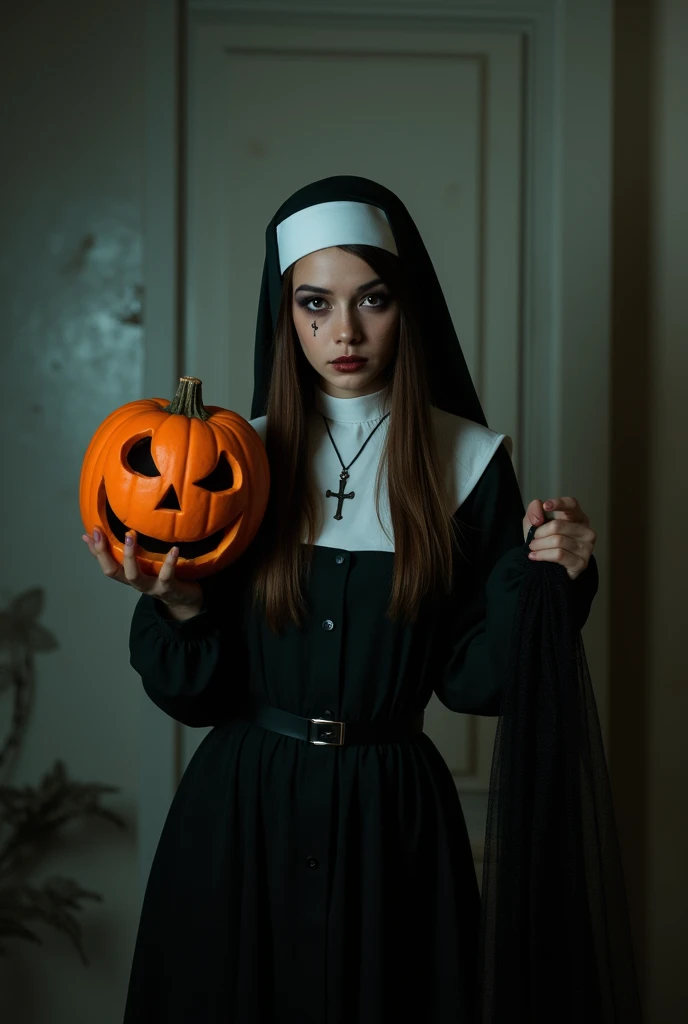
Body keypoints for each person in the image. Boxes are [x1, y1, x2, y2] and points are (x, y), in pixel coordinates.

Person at [83, 176, 604, 1023]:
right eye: (315, 304)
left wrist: (556, 577)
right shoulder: (231, 462)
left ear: (409, 306)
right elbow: (198, 699)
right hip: (239, 820)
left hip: (392, 830)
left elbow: (476, 684)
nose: (344, 333)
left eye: (372, 301)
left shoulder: (470, 461)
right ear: (285, 314)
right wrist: (178, 609)